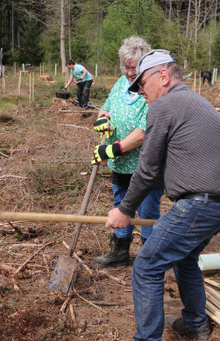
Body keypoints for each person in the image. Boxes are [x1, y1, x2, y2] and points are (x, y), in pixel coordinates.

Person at [103, 49, 220, 341]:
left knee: (147, 265)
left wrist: (123, 210)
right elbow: (173, 163)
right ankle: (195, 323)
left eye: (141, 84)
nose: (139, 93)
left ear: (162, 77)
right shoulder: (195, 102)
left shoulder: (165, 105)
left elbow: (148, 170)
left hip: (201, 204)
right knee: (185, 257)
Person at [91, 37, 164, 268]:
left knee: (147, 210)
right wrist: (102, 118)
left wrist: (113, 149)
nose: (130, 73)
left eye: (135, 68)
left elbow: (145, 130)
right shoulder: (120, 84)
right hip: (120, 165)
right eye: (127, 67)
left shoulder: (152, 88)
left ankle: (149, 258)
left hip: (145, 166)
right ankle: (120, 252)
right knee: (121, 204)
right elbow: (106, 107)